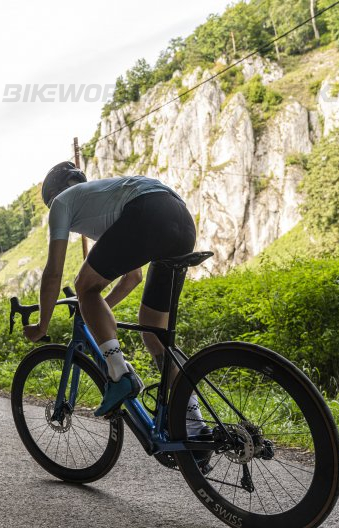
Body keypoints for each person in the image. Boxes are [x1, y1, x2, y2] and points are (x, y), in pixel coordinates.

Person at [23, 161, 205, 429]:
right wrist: (94, 308)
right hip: (180, 219)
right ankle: (194, 425)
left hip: (148, 212)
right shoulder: (105, 201)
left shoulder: (62, 202)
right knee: (154, 334)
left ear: (53, 196)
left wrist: (42, 325)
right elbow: (133, 277)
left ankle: (119, 375)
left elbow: (53, 272)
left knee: (84, 284)